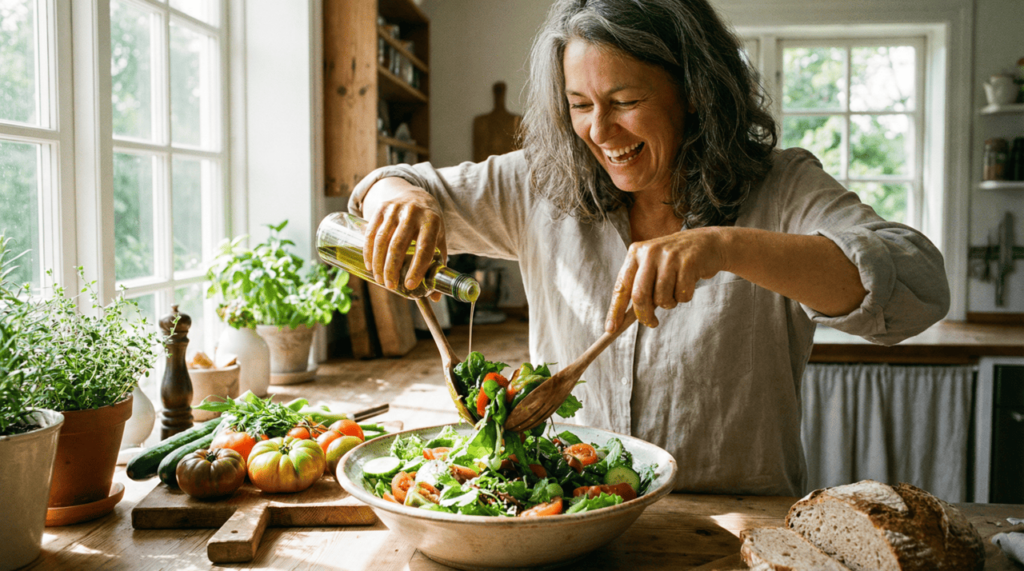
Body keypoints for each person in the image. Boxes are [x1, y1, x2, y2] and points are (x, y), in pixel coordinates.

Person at [347, 0, 949, 495]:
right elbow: (390, 188)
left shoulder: (783, 186)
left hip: (732, 533)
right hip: (563, 525)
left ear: (693, 90)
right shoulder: (539, 183)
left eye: (625, 102)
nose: (600, 133)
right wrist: (401, 199)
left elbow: (917, 283)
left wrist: (723, 247)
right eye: (580, 106)